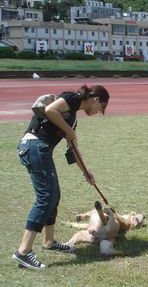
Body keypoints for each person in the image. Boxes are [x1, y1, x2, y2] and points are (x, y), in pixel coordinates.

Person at [12, 85, 110, 270]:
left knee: (54, 196)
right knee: (45, 198)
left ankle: (49, 241)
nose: (99, 112)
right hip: (35, 147)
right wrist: (69, 131)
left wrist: (86, 172)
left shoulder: (72, 118)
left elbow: (73, 148)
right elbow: (50, 110)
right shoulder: (72, 98)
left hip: (41, 150)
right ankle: (23, 252)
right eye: (101, 107)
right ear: (95, 99)